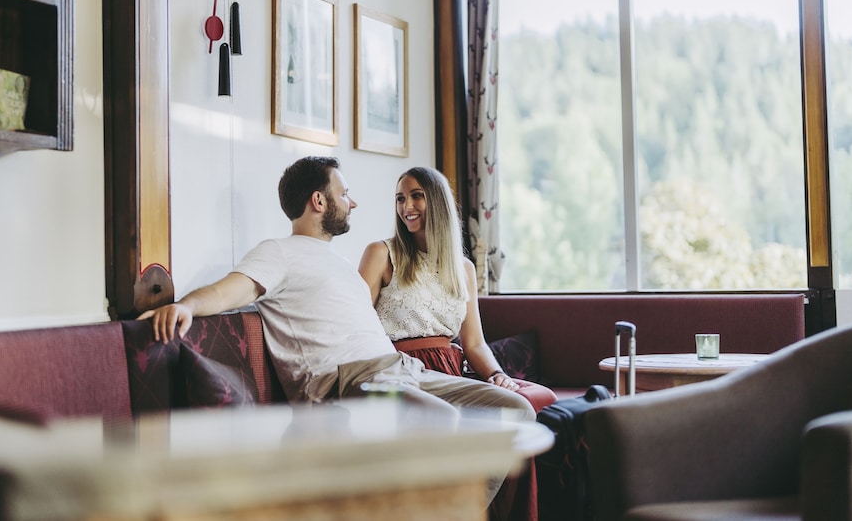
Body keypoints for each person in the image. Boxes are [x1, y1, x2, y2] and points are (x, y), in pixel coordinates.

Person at [139, 156, 534, 423]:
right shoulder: (279, 252)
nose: (353, 202)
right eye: (344, 194)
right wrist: (187, 305)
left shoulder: (340, 263)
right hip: (346, 382)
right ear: (319, 201)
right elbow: (232, 290)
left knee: (515, 411)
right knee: (442, 422)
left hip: (401, 371)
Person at [358, 166, 555, 521]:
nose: (407, 207)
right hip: (399, 371)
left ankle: (464, 509)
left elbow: (474, 342)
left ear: (437, 202)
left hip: (452, 374)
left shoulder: (462, 268)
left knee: (518, 412)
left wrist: (497, 374)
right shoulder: (381, 253)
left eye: (416, 196)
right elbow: (355, 324)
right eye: (400, 198)